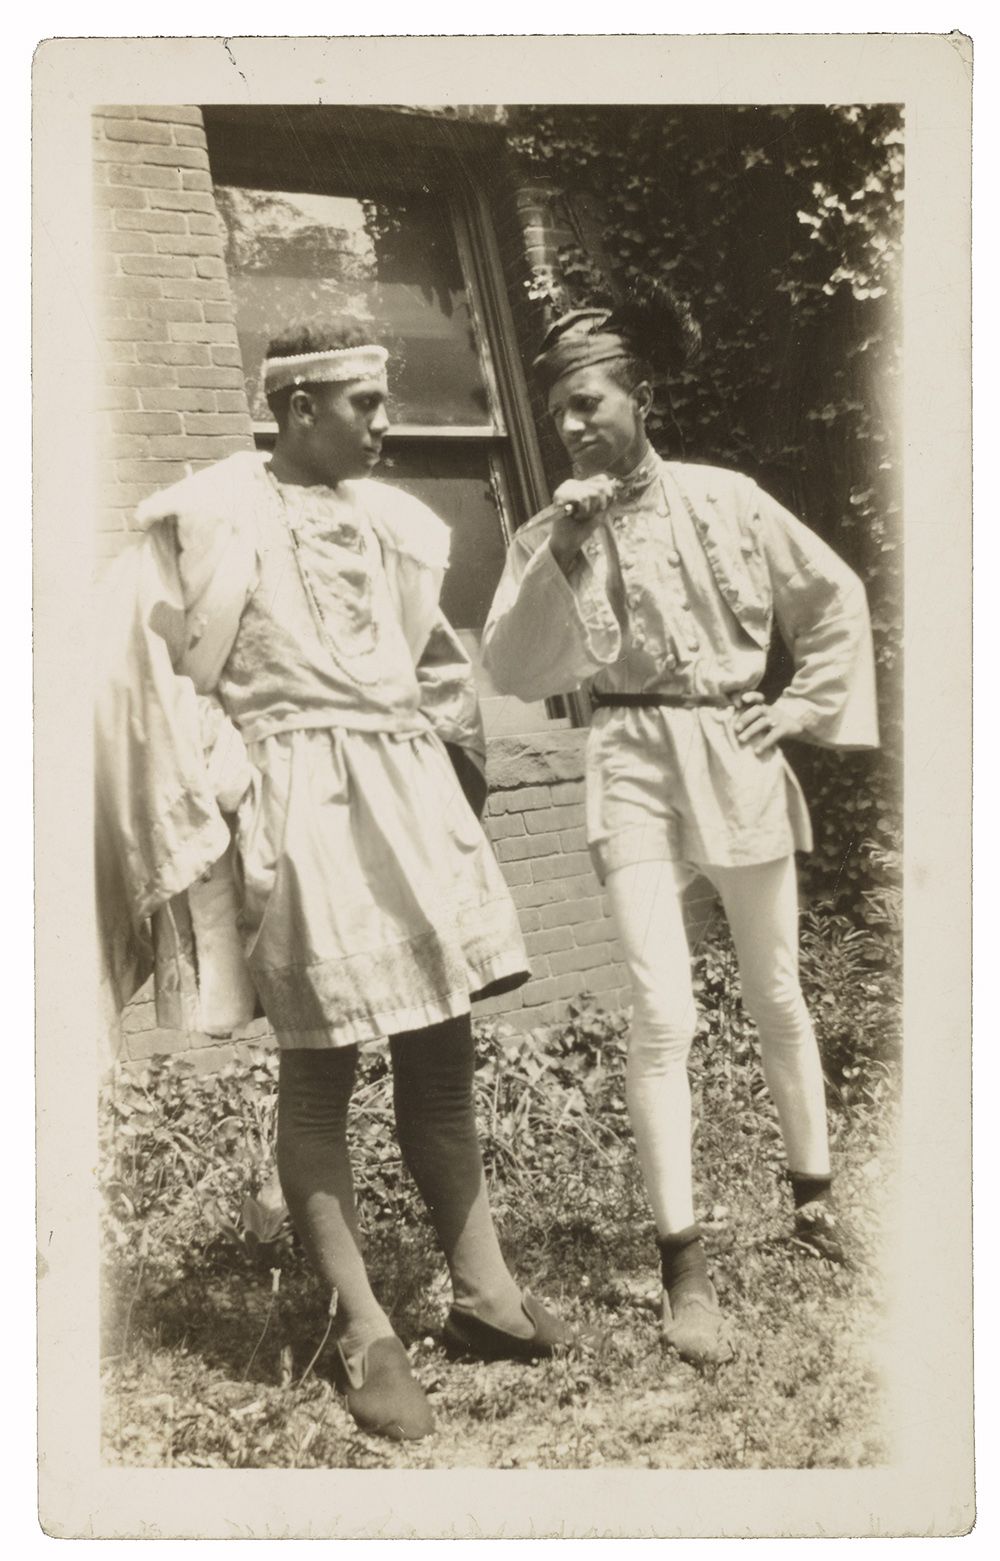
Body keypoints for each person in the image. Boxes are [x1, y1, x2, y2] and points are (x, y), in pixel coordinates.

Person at [96, 320, 569, 1442]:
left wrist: (443, 780)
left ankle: (485, 1298)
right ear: (298, 406)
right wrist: (225, 775)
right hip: (300, 809)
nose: (384, 422)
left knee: (441, 1050)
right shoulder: (205, 521)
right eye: (363, 403)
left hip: (404, 797)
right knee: (322, 1073)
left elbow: (435, 668)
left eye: (385, 399)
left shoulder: (397, 527)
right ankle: (365, 1327)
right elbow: (148, 676)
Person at [481, 289, 879, 1367]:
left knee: (775, 987)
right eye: (557, 410)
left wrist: (794, 707)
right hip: (628, 756)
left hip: (733, 748)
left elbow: (834, 598)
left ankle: (812, 1202)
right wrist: (562, 554)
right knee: (661, 1010)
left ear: (638, 397)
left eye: (589, 403)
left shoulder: (726, 499)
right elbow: (511, 667)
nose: (571, 426)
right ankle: (683, 1265)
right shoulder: (554, 531)